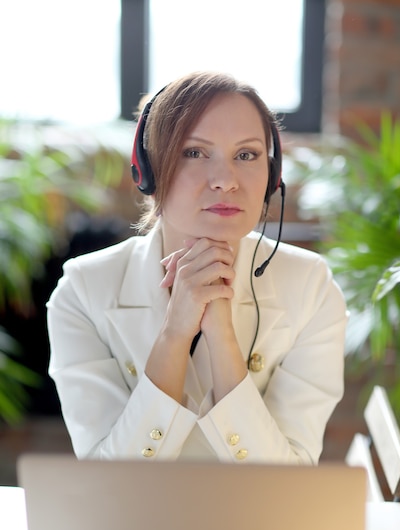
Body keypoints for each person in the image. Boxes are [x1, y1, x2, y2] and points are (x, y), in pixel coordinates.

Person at [47, 70, 347, 464]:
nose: (225, 180)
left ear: (272, 177)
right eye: (194, 152)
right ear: (147, 171)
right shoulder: (83, 290)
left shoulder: (311, 286)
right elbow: (110, 481)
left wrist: (223, 338)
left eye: (246, 155)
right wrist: (174, 335)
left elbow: (287, 485)